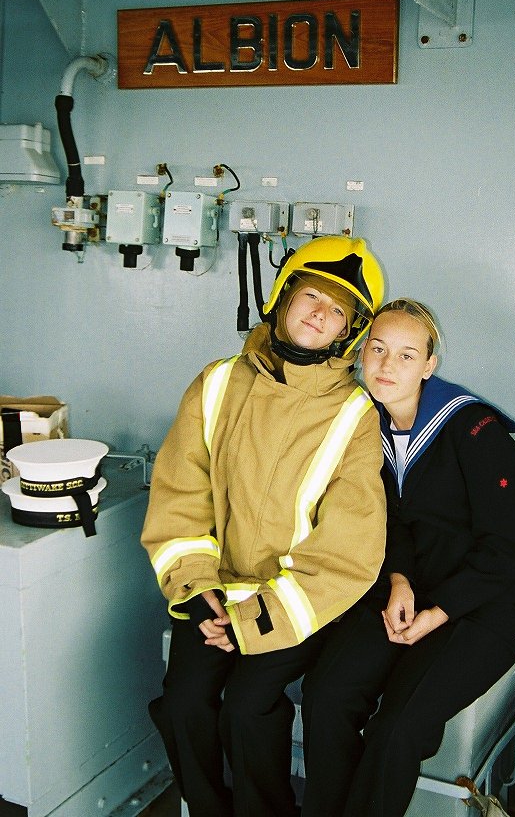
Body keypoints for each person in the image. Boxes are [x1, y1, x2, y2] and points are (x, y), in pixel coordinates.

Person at [141, 236, 387, 817]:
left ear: (346, 333)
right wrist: (198, 593)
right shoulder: (217, 383)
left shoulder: (354, 415)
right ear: (281, 300)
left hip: (294, 603)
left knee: (248, 707)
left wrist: (257, 622)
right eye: (310, 296)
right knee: (183, 705)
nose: (319, 314)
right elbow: (181, 495)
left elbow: (348, 551)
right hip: (213, 592)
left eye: (337, 310)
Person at [301, 298, 515, 817]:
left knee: (398, 727)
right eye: (378, 350)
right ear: (361, 355)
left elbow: (507, 550)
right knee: (327, 694)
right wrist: (401, 581)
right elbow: (392, 521)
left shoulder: (475, 432)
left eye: (407, 356)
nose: (387, 365)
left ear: (430, 365)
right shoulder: (367, 428)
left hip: (479, 609)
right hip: (406, 593)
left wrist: (439, 610)